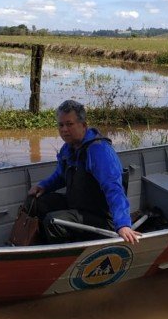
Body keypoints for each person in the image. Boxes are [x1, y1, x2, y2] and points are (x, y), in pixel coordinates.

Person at [27, 100, 141, 244]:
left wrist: (123, 225)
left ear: (83, 125)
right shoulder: (68, 148)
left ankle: (63, 257)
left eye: (69, 124)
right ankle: (37, 246)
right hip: (77, 206)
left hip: (101, 218)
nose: (64, 129)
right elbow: (61, 176)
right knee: (35, 203)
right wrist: (43, 185)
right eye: (61, 125)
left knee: (53, 222)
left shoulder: (99, 151)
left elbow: (114, 189)